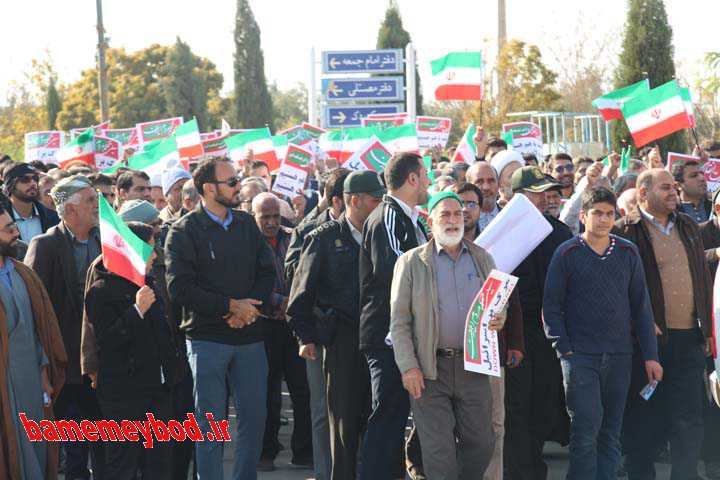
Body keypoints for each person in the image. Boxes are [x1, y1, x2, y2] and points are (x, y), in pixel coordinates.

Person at [165, 157, 275, 479]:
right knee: (209, 426)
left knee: (254, 421)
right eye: (231, 181)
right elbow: (180, 288)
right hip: (207, 340)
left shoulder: (245, 224)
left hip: (250, 337)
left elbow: (267, 272)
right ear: (208, 188)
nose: (238, 185)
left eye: (237, 179)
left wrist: (247, 309)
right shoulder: (183, 231)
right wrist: (229, 306)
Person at [543, 187, 662, 479]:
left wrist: (651, 356)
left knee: (610, 433)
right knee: (585, 432)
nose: (604, 219)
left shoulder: (627, 251)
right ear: (583, 216)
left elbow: (641, 307)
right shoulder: (567, 252)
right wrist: (564, 349)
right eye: (597, 213)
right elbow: (551, 306)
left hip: (620, 354)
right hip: (580, 356)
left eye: (610, 214)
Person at [390, 191, 502, 479]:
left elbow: (495, 308)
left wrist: (499, 318)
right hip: (429, 372)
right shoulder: (412, 262)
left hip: (473, 368)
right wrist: (409, 367)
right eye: (445, 215)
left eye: (457, 214)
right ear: (431, 221)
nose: (453, 220)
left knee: (481, 443)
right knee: (438, 451)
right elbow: (399, 322)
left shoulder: (482, 258)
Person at [615, 168, 713, 480]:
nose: (674, 193)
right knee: (645, 420)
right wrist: (639, 323)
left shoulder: (687, 226)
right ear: (643, 193)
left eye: (674, 187)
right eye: (665, 188)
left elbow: (701, 277)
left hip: (690, 338)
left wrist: (709, 331)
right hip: (648, 344)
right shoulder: (625, 231)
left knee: (689, 418)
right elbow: (616, 290)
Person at [288, 170, 385, 480]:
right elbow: (300, 294)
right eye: (375, 200)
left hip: (379, 341)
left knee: (378, 419)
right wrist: (306, 336)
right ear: (354, 200)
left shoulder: (384, 235)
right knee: (343, 424)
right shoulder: (323, 238)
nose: (381, 205)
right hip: (341, 340)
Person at [24, 174, 105, 480]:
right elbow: (35, 308)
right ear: (69, 210)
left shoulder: (105, 240)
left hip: (100, 365)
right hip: (65, 367)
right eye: (89, 200)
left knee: (106, 446)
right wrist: (43, 364)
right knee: (73, 452)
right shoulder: (44, 245)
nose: (97, 206)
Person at [84, 221, 177, 479]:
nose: (155, 255)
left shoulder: (150, 283)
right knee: (123, 464)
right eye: (149, 249)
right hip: (123, 395)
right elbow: (107, 342)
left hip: (158, 390)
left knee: (158, 464)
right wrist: (136, 312)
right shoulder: (100, 291)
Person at [359, 153, 431, 480]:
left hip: (406, 334)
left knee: (398, 417)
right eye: (425, 175)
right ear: (412, 179)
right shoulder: (388, 215)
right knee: (387, 418)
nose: (429, 181)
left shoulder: (412, 218)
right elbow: (397, 271)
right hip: (387, 336)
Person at [504, 166, 573, 480]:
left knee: (543, 403)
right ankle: (520, 471)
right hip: (511, 334)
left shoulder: (558, 232)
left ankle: (535, 468)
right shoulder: (497, 233)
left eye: (547, 192)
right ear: (517, 196)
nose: (545, 199)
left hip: (549, 333)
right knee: (516, 407)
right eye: (537, 193)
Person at [284, 167, 350, 480]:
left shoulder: (367, 228)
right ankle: (326, 472)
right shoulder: (311, 231)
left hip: (355, 334)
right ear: (337, 200)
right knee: (323, 410)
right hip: (321, 333)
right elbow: (293, 280)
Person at [0, 204, 67, 480]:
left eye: (14, 226)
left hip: (31, 383)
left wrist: (43, 373)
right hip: (4, 387)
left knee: (38, 449)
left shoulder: (23, 274)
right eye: (7, 229)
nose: (16, 232)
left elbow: (41, 332)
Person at [250, 192, 313, 471]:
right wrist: (279, 301)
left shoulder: (293, 237)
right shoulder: (247, 244)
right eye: (266, 217)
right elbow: (246, 282)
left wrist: (294, 302)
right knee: (268, 392)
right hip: (263, 326)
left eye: (276, 216)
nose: (272, 222)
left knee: (302, 390)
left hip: (293, 325)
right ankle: (266, 450)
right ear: (254, 216)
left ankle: (303, 451)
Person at [1, 162, 59, 244]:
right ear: (11, 185)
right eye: (25, 179)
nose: (32, 183)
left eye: (35, 178)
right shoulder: (2, 219)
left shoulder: (53, 217)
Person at [466, 161, 501, 233]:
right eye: (479, 182)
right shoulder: (462, 221)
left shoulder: (510, 217)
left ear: (498, 184)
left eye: (491, 181)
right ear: (469, 186)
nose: (486, 187)